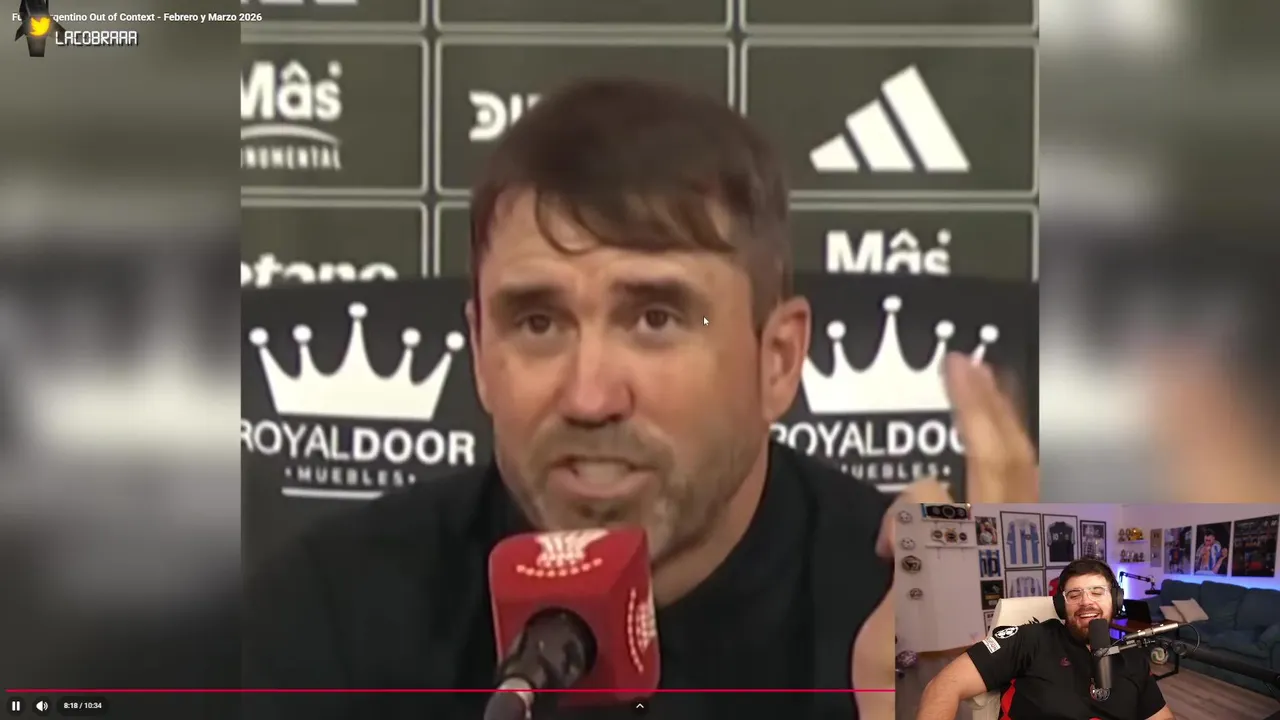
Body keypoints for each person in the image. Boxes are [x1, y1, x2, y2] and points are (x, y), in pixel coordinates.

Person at [242, 77, 1038, 720]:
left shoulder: (916, 625)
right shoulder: (331, 615)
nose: (590, 397)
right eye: (537, 321)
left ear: (778, 360)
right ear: (480, 354)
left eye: (657, 318)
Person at [914, 559, 1174, 720]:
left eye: (1097, 592)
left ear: (1116, 600)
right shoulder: (1031, 639)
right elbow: (944, 686)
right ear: (1061, 605)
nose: (1086, 602)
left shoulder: (1132, 657)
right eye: (1074, 595)